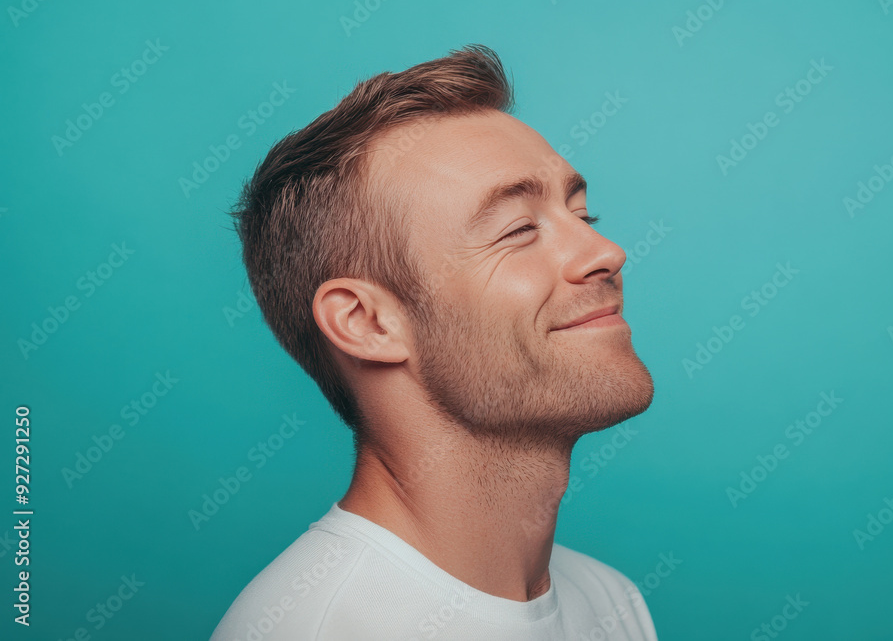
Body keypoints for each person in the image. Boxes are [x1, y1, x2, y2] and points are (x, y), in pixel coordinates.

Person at [212, 44, 658, 640]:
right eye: (518, 230)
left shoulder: (610, 600)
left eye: (583, 215)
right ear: (367, 323)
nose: (606, 253)